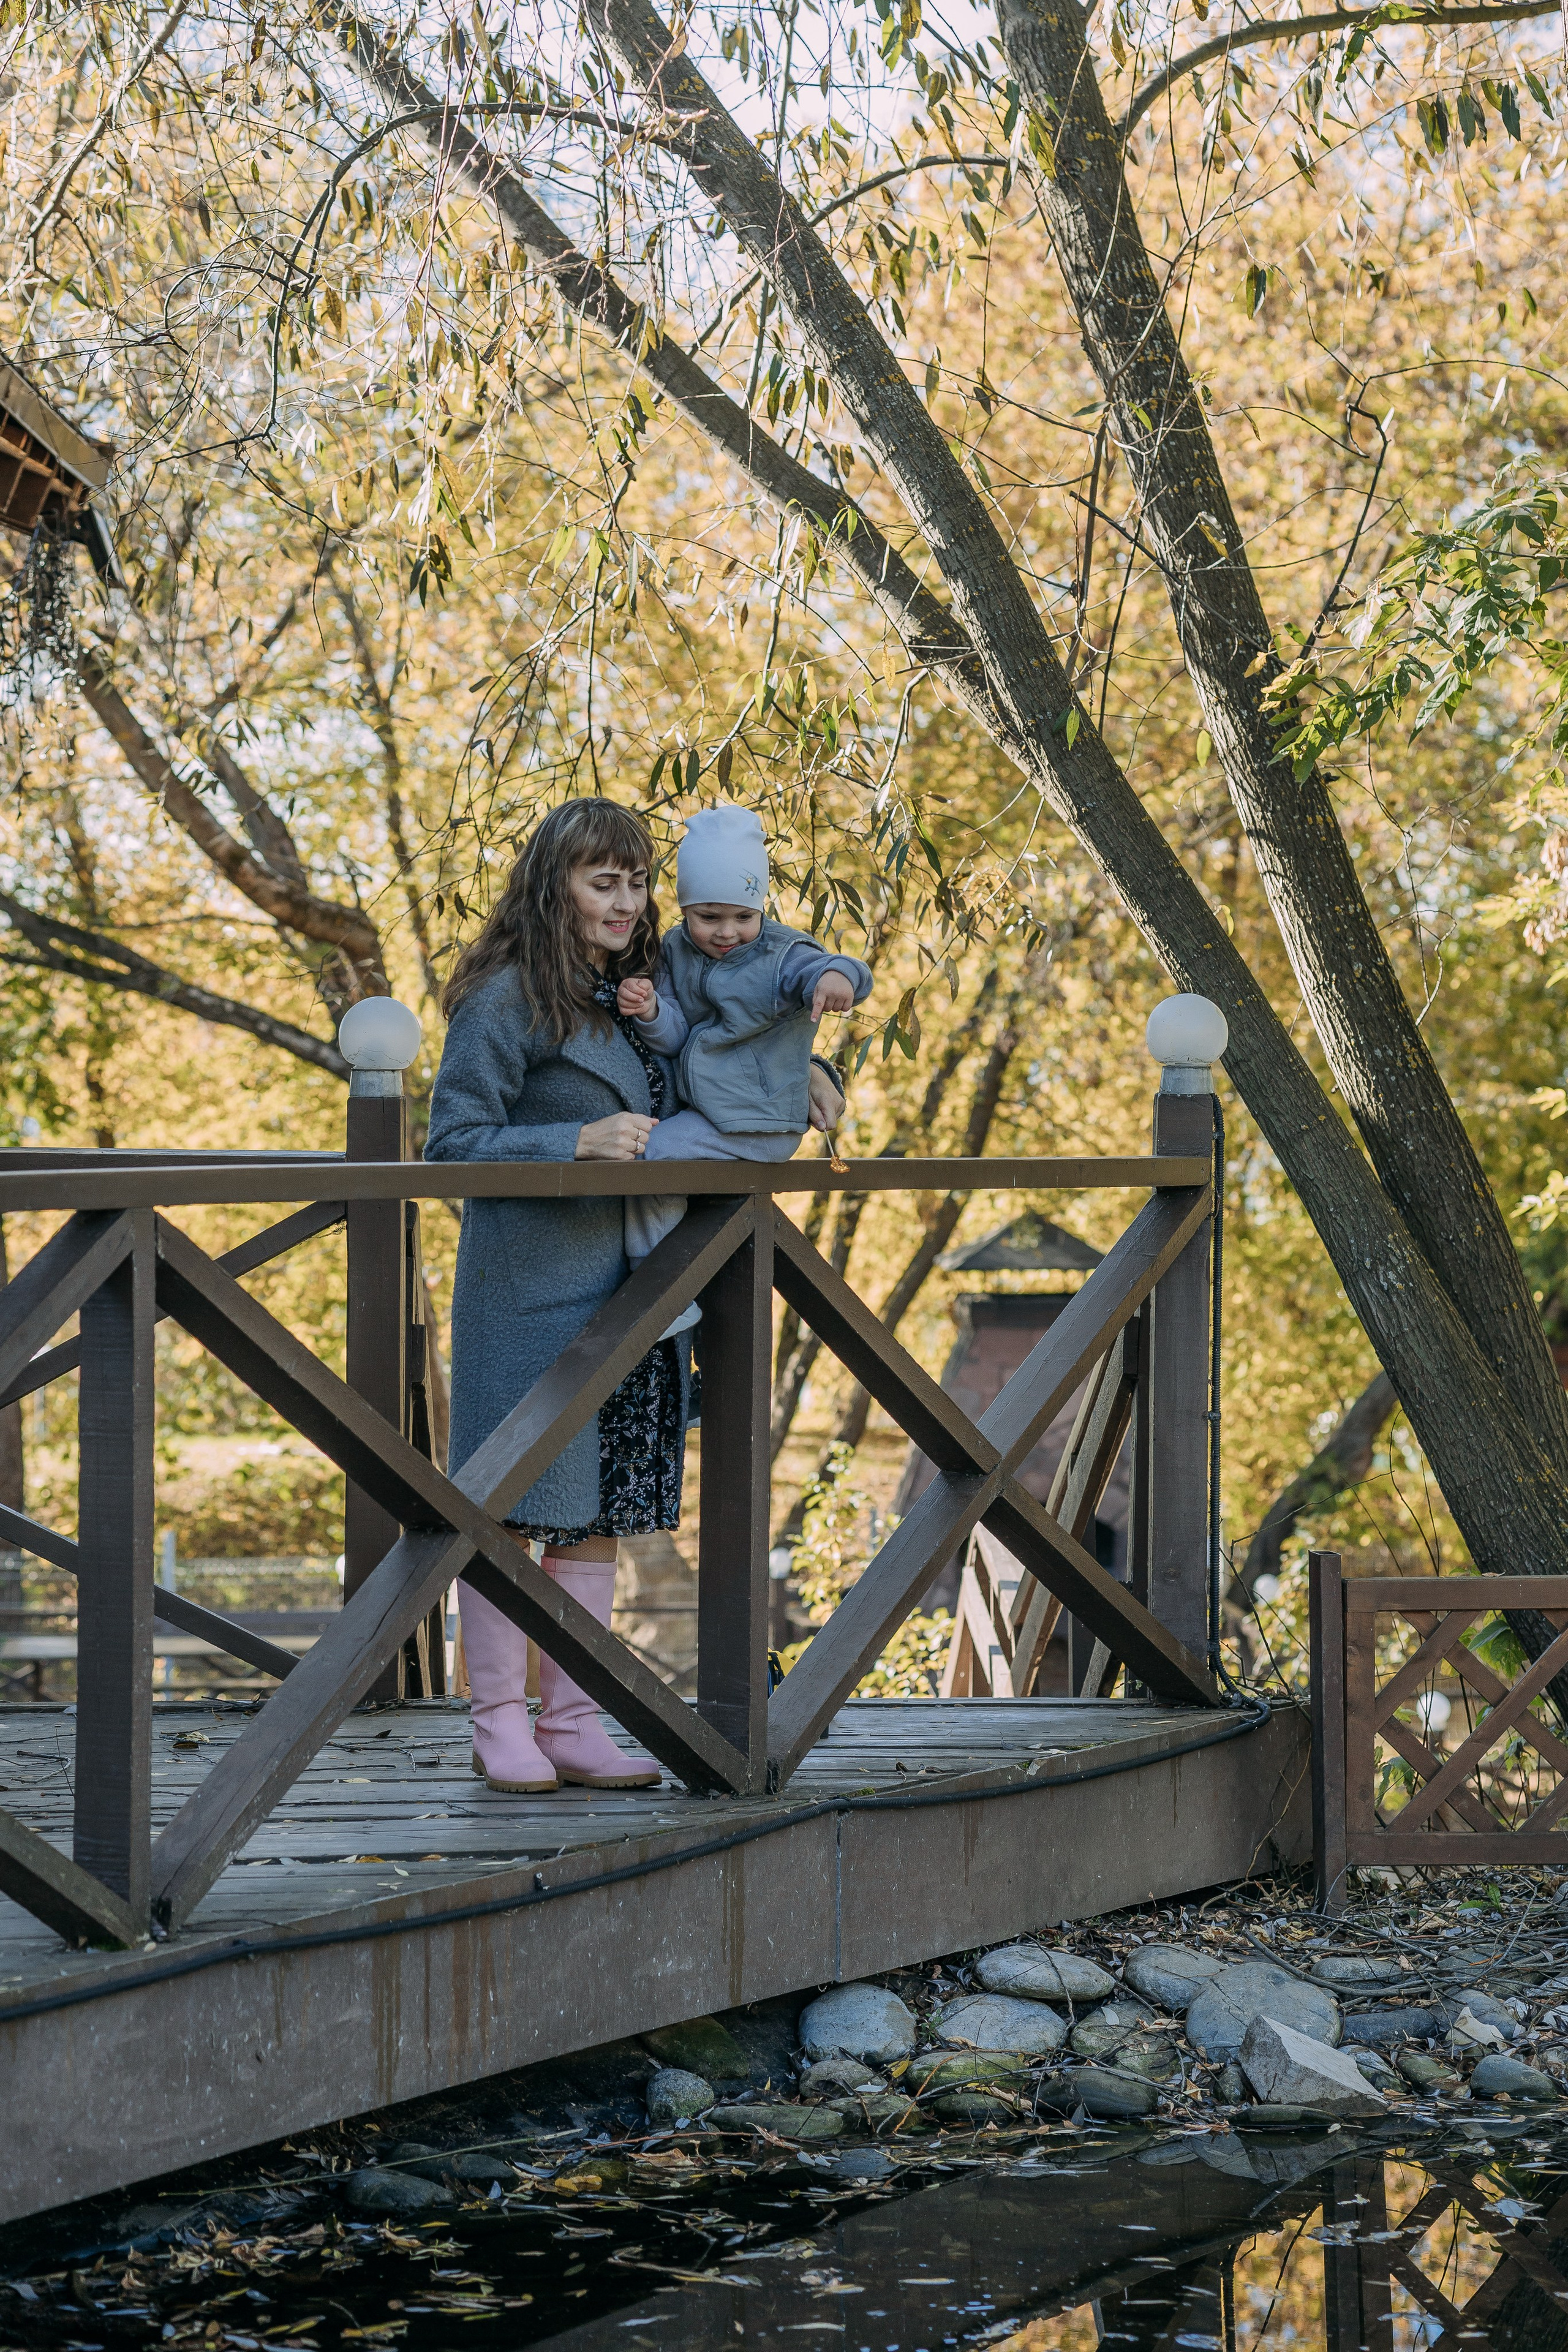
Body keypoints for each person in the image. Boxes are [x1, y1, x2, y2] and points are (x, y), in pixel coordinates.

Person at [423, 797, 843, 1798]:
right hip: (525, 1296)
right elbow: (449, 1146)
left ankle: (572, 1723)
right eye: (602, 882)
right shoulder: (505, 998)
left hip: (633, 1293)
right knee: (508, 1514)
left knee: (597, 1512)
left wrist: (806, 1072)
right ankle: (498, 1725)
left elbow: (728, 1044)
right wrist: (567, 1142)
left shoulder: (644, 982)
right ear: (553, 886)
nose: (627, 901)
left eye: (637, 881)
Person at [617, 804, 873, 1331]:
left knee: (656, 1154)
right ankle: (673, 1286)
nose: (727, 932)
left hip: (762, 1121)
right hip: (715, 1114)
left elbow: (829, 966)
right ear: (685, 909)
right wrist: (650, 1012)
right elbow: (677, 1040)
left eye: (744, 916)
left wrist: (838, 980)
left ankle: (660, 1292)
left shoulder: (780, 956)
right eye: (708, 917)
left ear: (762, 909)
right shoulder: (675, 950)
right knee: (663, 1160)